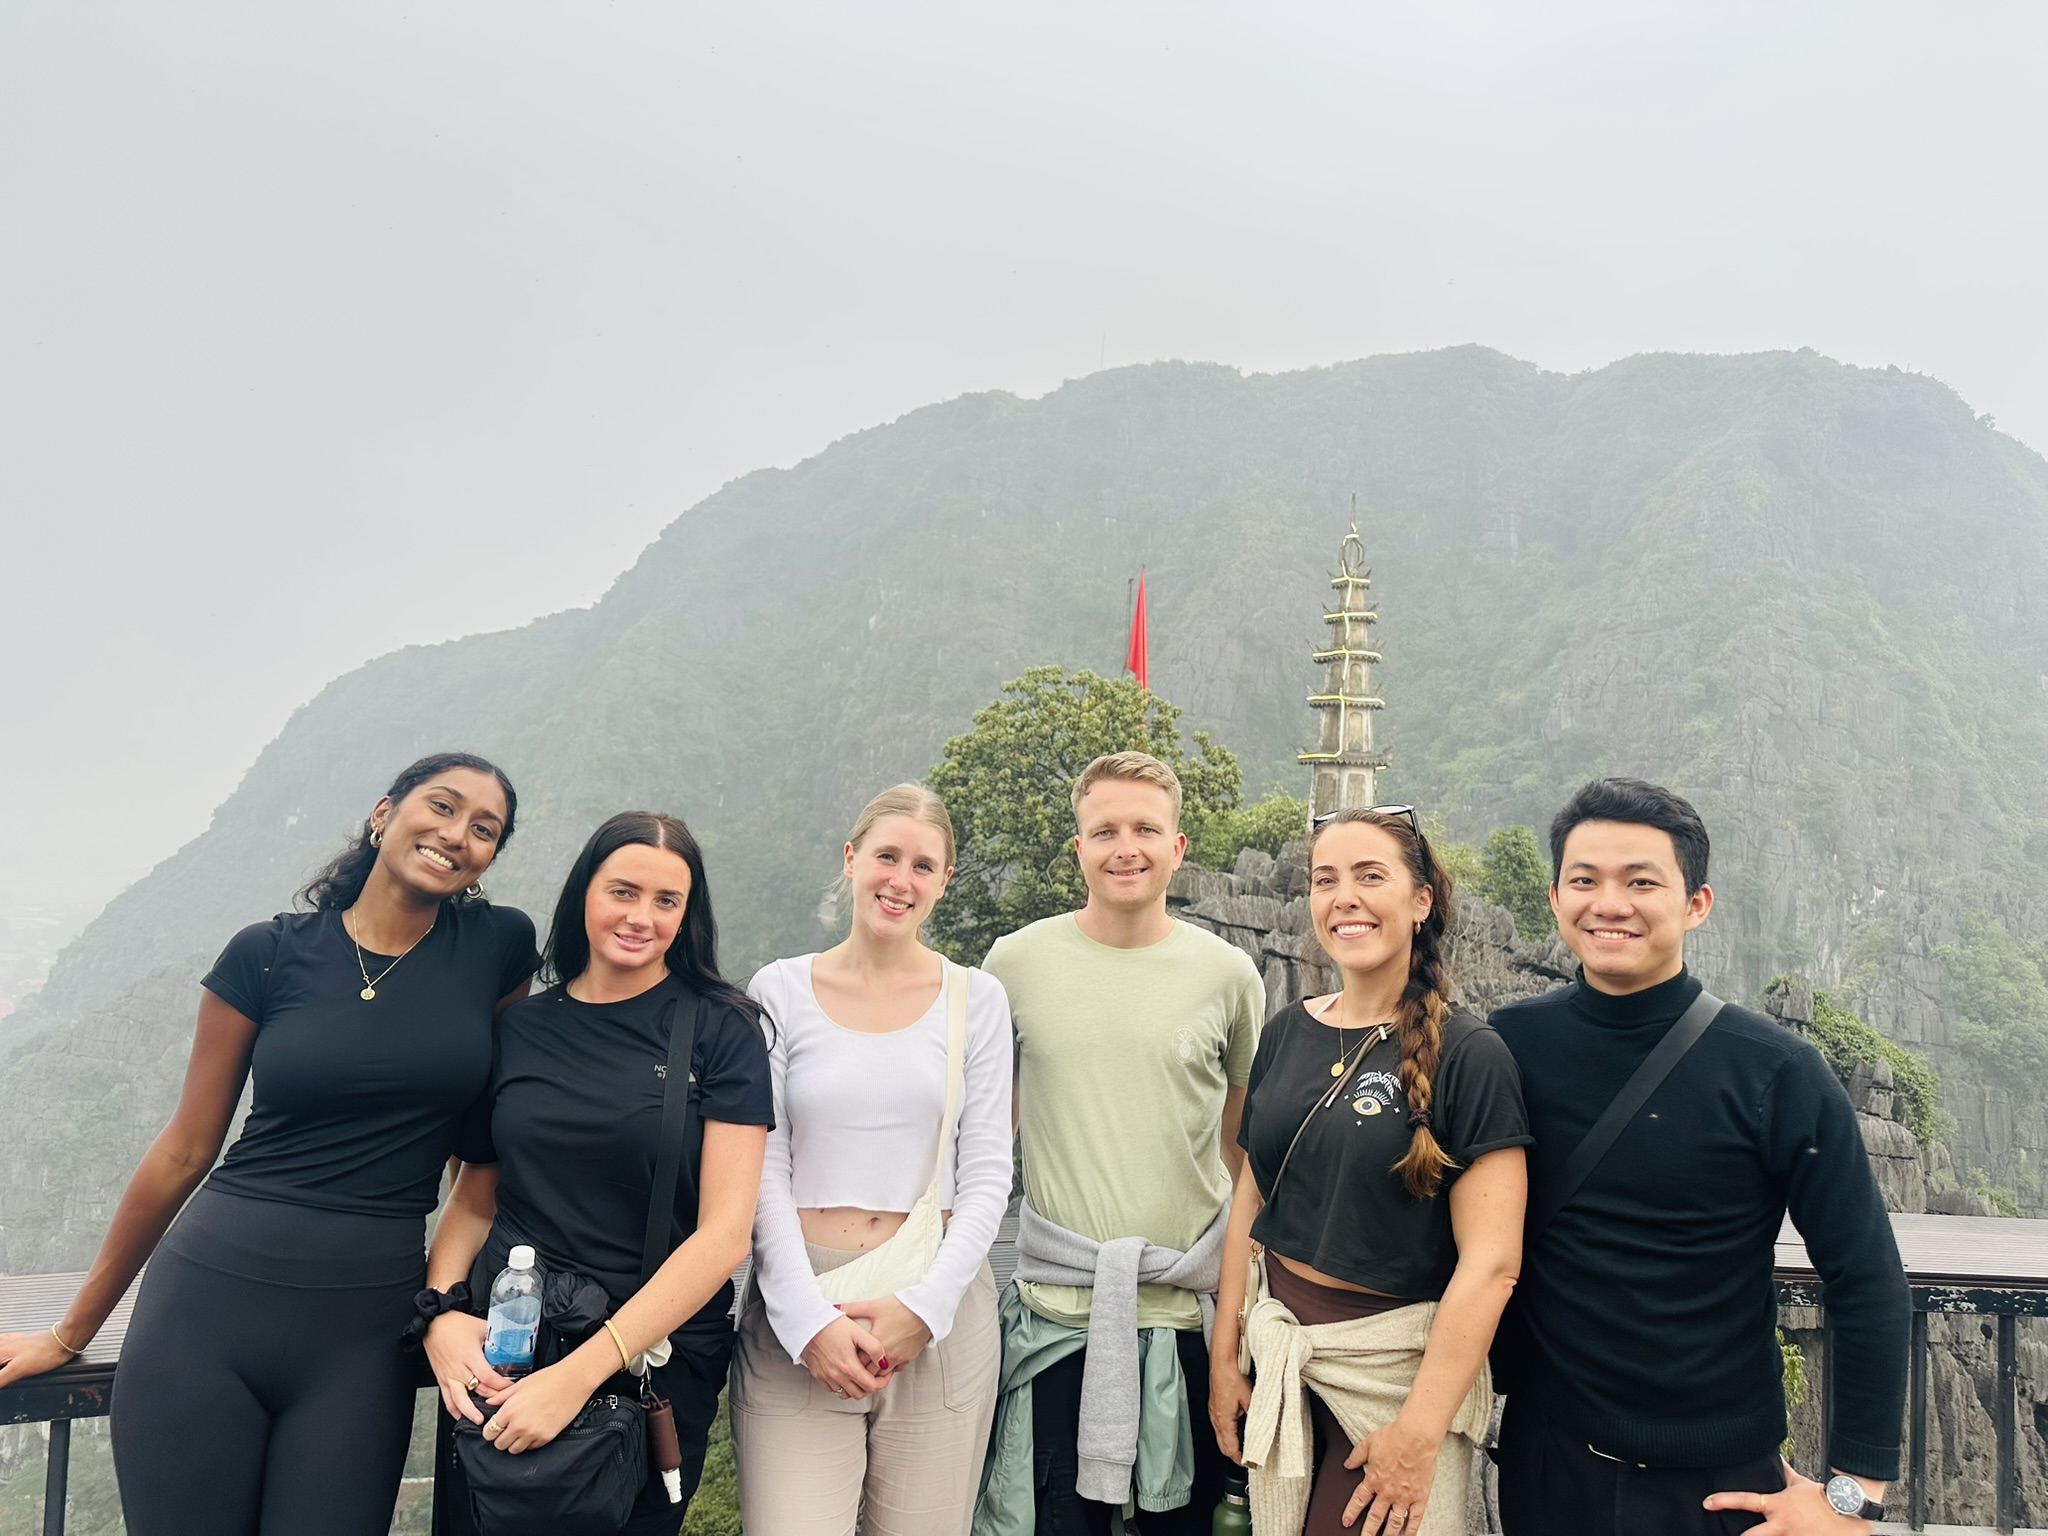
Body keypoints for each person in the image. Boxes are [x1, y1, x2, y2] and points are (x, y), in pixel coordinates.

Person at [0, 753, 537, 1536]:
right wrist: (70, 1331)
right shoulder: (268, 953)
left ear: (490, 857)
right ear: (385, 813)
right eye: (443, 807)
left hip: (362, 1332)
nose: (457, 834)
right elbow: (186, 1150)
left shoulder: (497, 948)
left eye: (483, 829)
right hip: (206, 1310)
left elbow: (479, 1152)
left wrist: (447, 1303)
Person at [1488, 778, 1910, 1536]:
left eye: (1641, 882)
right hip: (1547, 1465)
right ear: (1555, 898)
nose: (1608, 903)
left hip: (1719, 1490)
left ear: (1696, 905)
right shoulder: (1509, 1046)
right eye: (1584, 880)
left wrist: (1853, 1496)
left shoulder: (1775, 1071)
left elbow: (1866, 1276)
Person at [424, 810, 772, 1534]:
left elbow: (724, 1235)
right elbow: (476, 1196)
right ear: (584, 892)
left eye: (666, 901)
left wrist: (578, 1375)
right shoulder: (519, 1028)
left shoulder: (718, 1028)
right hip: (507, 1351)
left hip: (647, 1365)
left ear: (688, 913)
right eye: (623, 891)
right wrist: (441, 1314)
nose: (641, 917)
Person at [1209, 806, 1528, 1536]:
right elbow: (1252, 1194)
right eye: (1326, 879)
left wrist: (1418, 1433)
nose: (1343, 897)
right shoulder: (1287, 1031)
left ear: (1421, 902)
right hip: (1280, 1354)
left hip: (1391, 1374)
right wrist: (1225, 1356)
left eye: (1369, 876)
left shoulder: (1471, 1056)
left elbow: (1493, 1264)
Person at [975, 751, 1266, 1536]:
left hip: (1189, 1321)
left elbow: (1243, 1153)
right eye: (1104, 830)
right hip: (1057, 1316)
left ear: (1178, 847)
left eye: (1146, 828)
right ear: (1079, 848)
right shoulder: (1015, 963)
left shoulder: (1229, 974)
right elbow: (983, 1137)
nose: (1125, 847)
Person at [733, 783, 1014, 1533]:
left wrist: (926, 1308)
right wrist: (804, 1318)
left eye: (924, 865)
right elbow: (762, 1161)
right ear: (851, 859)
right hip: (803, 1297)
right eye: (886, 856)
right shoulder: (780, 989)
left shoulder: (976, 999)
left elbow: (988, 1170)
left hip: (937, 1301)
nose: (901, 880)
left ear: (945, 881)